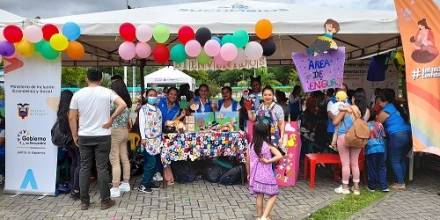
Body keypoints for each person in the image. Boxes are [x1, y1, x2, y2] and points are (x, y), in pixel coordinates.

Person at [69, 68, 127, 210]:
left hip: (84, 135)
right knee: (102, 168)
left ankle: (84, 202)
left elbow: (71, 117)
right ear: (101, 79)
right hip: (103, 135)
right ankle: (105, 201)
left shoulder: (78, 94)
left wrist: (75, 135)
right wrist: (111, 119)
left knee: (84, 167)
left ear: (86, 79)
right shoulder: (107, 92)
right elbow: (123, 104)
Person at [332, 90, 368, 195]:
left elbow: (335, 122)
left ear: (353, 99)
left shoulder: (347, 109)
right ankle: (356, 188)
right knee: (355, 163)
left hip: (344, 136)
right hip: (357, 137)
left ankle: (345, 187)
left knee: (345, 164)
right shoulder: (362, 111)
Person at [246, 122, 283, 220]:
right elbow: (280, 155)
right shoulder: (268, 145)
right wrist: (268, 161)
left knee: (259, 195)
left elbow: (247, 161)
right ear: (266, 133)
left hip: (255, 175)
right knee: (273, 194)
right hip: (267, 175)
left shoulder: (250, 145)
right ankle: (264, 217)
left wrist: (248, 174)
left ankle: (259, 217)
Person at [376, 89, 411, 191]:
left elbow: (378, 123)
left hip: (398, 136)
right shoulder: (396, 106)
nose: (378, 103)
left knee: (395, 160)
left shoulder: (386, 110)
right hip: (408, 134)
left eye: (379, 101)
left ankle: (401, 183)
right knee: (401, 158)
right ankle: (401, 180)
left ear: (383, 100)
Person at [53, 90, 80, 200]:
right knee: (80, 163)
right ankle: (76, 188)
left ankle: (73, 185)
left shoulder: (60, 111)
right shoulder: (72, 110)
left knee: (74, 162)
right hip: (74, 139)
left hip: (67, 142)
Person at [109, 79, 132, 198]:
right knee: (124, 157)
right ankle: (126, 182)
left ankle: (115, 186)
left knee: (114, 159)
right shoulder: (127, 102)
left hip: (115, 131)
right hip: (124, 131)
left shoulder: (114, 102)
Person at [158, 87, 186, 186]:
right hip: (155, 133)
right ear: (167, 94)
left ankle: (167, 177)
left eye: (175, 95)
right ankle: (161, 175)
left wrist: (181, 116)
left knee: (165, 155)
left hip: (166, 135)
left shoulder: (177, 108)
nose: (173, 96)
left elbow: (169, 124)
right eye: (171, 94)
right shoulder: (159, 101)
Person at [138, 89, 163, 193]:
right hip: (148, 140)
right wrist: (143, 138)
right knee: (151, 163)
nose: (153, 96)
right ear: (146, 97)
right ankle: (143, 185)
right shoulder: (143, 109)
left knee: (153, 162)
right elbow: (141, 124)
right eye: (150, 95)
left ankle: (149, 181)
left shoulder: (158, 109)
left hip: (157, 140)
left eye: (154, 95)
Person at [366, 110, 389, 192]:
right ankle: (384, 186)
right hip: (381, 148)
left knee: (372, 168)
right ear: (376, 116)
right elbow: (383, 135)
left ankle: (372, 186)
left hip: (371, 149)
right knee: (382, 167)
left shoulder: (366, 125)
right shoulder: (380, 124)